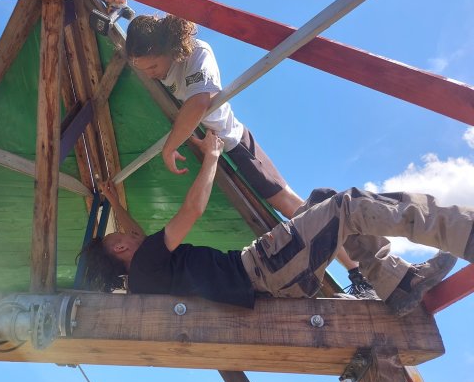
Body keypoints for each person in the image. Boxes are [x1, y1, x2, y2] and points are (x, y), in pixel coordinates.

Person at [103, 0, 377, 298]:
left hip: (233, 144)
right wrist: (121, 9)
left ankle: (358, 271)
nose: (151, 75)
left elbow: (199, 102)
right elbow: (137, 34)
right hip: (207, 148)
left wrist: (169, 147)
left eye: (153, 68)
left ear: (165, 50)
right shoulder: (149, 51)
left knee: (291, 206)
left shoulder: (197, 53)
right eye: (145, 71)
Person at [79, 130, 470, 317]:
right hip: (266, 268)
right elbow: (192, 210)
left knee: (321, 200)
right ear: (119, 248)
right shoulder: (147, 259)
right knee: (347, 206)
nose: (126, 233)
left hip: (272, 274)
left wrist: (114, 202)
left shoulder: (145, 275)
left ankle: (396, 282)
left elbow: (137, 237)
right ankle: (462, 231)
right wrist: (212, 156)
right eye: (118, 235)